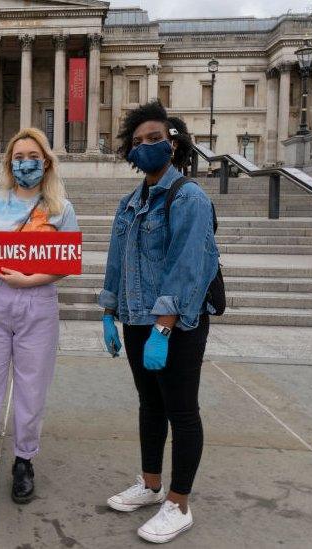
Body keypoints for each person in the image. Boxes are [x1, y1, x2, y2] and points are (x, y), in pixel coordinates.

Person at [100, 101, 219, 544]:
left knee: (182, 411)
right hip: (134, 318)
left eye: (155, 138)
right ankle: (150, 485)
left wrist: (163, 328)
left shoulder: (189, 197)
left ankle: (178, 502)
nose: (146, 146)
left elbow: (188, 267)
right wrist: (109, 312)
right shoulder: (130, 202)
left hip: (178, 324)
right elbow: (116, 262)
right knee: (149, 405)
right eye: (137, 142)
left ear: (174, 143)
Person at [0, 127, 78, 507]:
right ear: (9, 163)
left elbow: (66, 264)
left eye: (33, 157)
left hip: (38, 303)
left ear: (46, 162)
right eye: (18, 157)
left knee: (32, 387)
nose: (26, 163)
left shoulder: (60, 207)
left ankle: (24, 460)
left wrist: (30, 278)